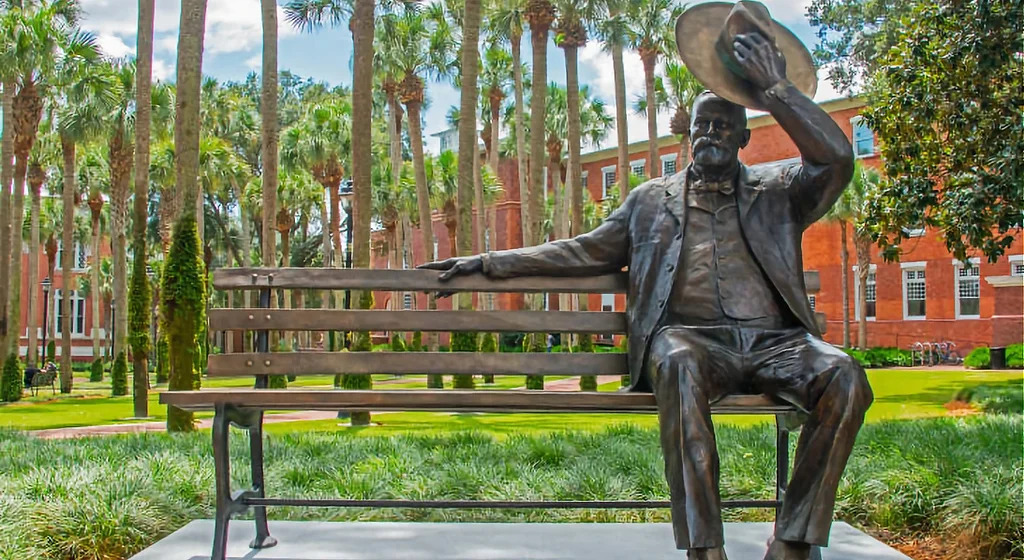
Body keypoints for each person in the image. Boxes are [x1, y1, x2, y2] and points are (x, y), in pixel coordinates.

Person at [422, 4, 872, 559]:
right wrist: (490, 262)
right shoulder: (648, 201)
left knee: (846, 376)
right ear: (689, 137)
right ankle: (705, 549)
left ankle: (795, 542)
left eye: (722, 127)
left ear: (742, 139)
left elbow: (838, 160)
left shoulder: (780, 191)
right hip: (692, 343)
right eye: (701, 126)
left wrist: (776, 88)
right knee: (678, 363)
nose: (709, 135)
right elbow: (580, 251)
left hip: (774, 344)